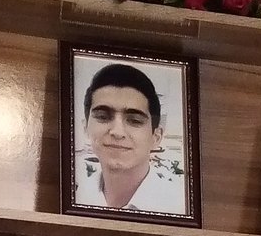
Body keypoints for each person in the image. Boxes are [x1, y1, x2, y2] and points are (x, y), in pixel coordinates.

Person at [75, 62, 186, 215]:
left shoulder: (178, 207)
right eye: (103, 116)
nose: (117, 132)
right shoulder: (77, 196)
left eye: (134, 120)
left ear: (156, 137)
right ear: (85, 127)